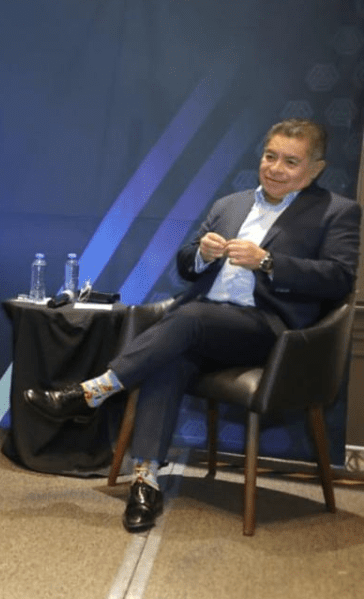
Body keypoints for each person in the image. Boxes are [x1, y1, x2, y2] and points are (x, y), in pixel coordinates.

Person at [24, 119, 360, 532]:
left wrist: (269, 262)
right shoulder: (231, 204)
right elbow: (185, 266)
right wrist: (201, 253)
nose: (275, 168)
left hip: (273, 332)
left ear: (316, 169)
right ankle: (146, 482)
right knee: (169, 359)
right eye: (270, 156)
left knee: (189, 318)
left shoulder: (336, 211)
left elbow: (339, 278)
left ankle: (94, 391)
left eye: (290, 162)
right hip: (204, 324)